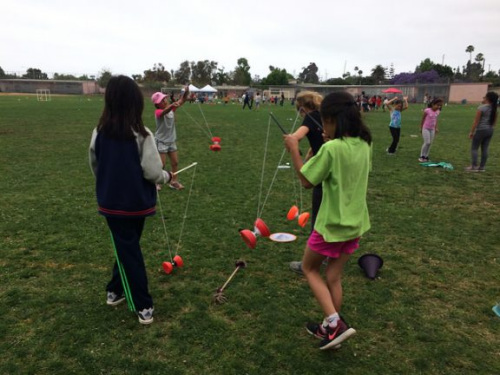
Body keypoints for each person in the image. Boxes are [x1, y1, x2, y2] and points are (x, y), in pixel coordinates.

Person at [283, 92, 371, 350]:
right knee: (333, 275)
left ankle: (335, 322)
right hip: (355, 225)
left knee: (310, 269)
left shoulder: (331, 149)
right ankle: (331, 327)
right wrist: (331, 140)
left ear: (332, 120)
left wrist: (294, 150)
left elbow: (306, 180)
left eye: (325, 122)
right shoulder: (365, 144)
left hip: (331, 225)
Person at [89, 75, 172, 325]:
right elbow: (153, 172)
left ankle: (115, 291)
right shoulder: (141, 134)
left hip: (115, 204)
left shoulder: (100, 132)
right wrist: (167, 177)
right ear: (135, 102)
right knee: (130, 248)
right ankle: (143, 304)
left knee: (127, 245)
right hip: (133, 204)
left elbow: (95, 166)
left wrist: (108, 184)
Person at [287, 91, 325, 275]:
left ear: (303, 107)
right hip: (336, 167)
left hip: (323, 171)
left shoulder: (310, 118)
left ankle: (309, 263)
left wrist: (291, 142)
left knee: (318, 219)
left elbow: (297, 137)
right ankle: (331, 255)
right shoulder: (327, 116)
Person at [151, 86, 189, 190]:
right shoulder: (158, 112)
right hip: (161, 141)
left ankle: (174, 181)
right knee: (161, 165)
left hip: (171, 140)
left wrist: (186, 92)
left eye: (165, 98)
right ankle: (156, 182)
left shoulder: (171, 109)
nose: (165, 100)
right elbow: (164, 112)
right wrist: (172, 105)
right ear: (158, 104)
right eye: (163, 100)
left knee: (175, 162)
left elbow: (183, 100)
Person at [466, 91, 498, 172]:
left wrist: (471, 132)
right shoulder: (495, 109)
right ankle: (482, 167)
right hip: (490, 130)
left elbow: (476, 122)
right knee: (485, 148)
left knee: (474, 148)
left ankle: (474, 166)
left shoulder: (481, 108)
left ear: (487, 98)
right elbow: (494, 123)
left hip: (481, 130)